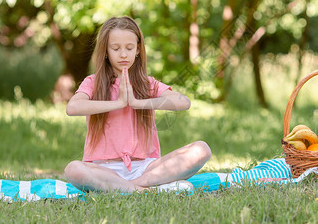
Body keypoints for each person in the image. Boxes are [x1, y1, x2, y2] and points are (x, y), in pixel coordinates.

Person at [64, 16, 211, 193]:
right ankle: (146, 190)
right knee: (73, 169)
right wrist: (118, 103)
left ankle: (130, 187)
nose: (123, 54)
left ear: (138, 50)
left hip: (146, 168)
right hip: (104, 169)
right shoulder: (93, 82)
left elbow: (183, 102)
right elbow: (72, 108)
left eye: (129, 48)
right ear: (105, 51)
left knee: (202, 149)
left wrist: (137, 103)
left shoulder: (148, 83)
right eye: (116, 48)